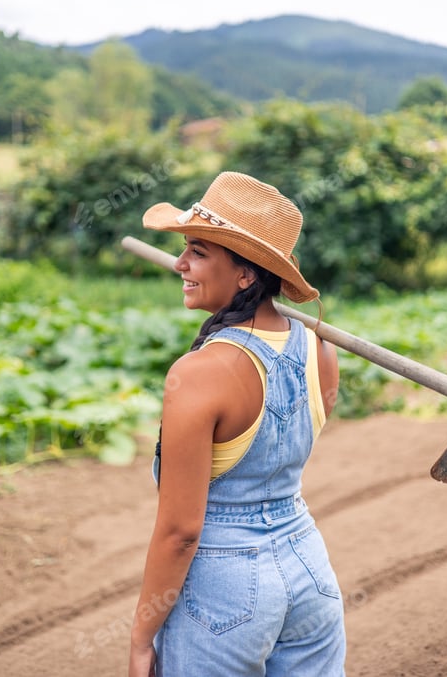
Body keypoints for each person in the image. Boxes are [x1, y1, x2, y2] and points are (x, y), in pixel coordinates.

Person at [127, 171, 346, 677]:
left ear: (246, 274)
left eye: (198, 252)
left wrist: (142, 639)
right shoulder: (320, 348)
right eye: (184, 249)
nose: (180, 264)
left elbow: (181, 531)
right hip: (309, 572)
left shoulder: (199, 373)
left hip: (226, 593)